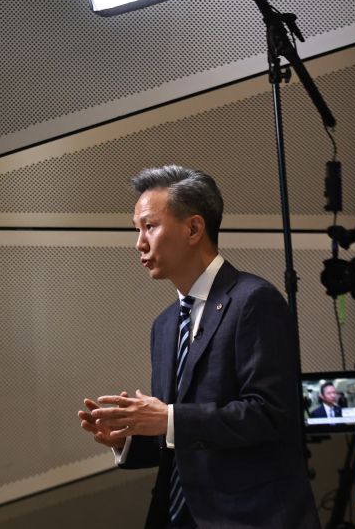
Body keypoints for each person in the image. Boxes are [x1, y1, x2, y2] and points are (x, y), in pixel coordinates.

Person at [78, 166, 319, 528]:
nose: (139, 243)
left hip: (250, 518)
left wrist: (167, 418)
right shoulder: (164, 325)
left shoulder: (254, 300)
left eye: (150, 226)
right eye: (137, 229)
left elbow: (270, 414)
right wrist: (129, 437)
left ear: (193, 229)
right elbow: (186, 437)